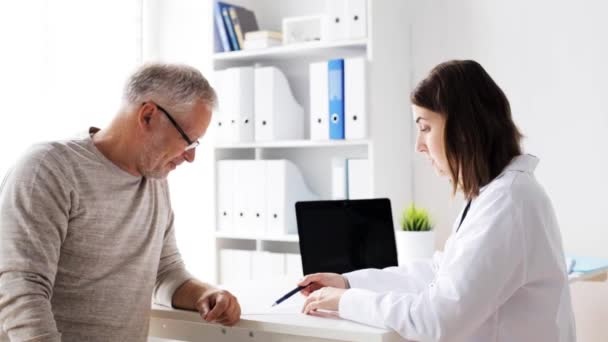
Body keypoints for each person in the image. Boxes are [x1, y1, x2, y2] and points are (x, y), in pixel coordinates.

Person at [297, 60, 576, 341]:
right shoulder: (495, 194)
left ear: (464, 129)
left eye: (426, 128)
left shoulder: (509, 202)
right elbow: (437, 273)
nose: (419, 145)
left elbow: (437, 320)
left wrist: (346, 301)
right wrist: (348, 282)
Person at [0, 63, 240, 341]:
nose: (190, 157)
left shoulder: (155, 180)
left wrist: (203, 293)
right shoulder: (49, 168)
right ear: (148, 115)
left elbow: (164, 272)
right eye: (188, 141)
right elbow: (20, 287)